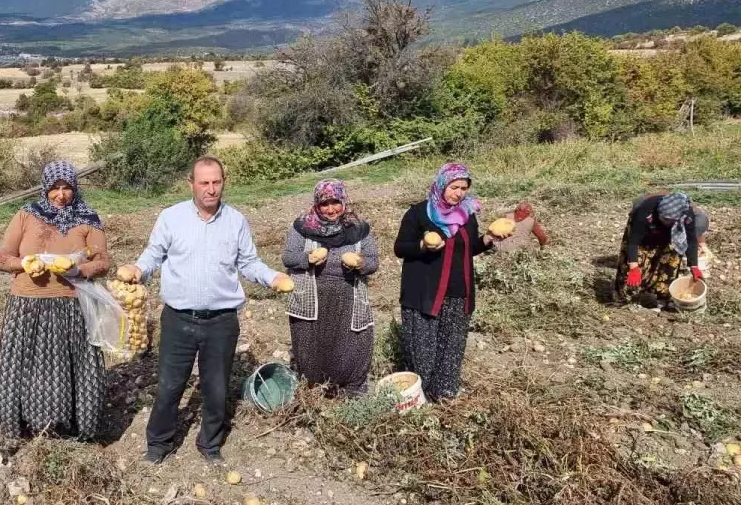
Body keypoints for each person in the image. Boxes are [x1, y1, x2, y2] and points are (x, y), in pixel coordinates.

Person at [117, 156, 292, 465]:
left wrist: (272, 277)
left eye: (216, 182)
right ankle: (158, 445)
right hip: (179, 319)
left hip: (221, 321)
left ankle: (210, 445)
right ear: (191, 184)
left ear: (223, 182)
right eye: (204, 183)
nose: (211, 189)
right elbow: (153, 255)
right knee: (169, 386)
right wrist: (137, 269)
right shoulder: (171, 218)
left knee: (215, 389)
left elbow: (248, 263)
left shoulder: (236, 220)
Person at [0, 161, 110, 446]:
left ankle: (72, 427)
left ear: (74, 188)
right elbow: (2, 257)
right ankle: (18, 425)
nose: (61, 195)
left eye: (67, 188)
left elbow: (104, 262)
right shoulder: (26, 216)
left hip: (73, 304)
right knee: (23, 366)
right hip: (28, 304)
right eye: (55, 188)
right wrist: (24, 263)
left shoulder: (87, 219)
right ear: (46, 188)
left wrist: (78, 270)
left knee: (74, 366)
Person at [394, 163, 502, 403]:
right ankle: (417, 401)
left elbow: (469, 247)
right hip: (425, 293)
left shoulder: (466, 215)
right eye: (454, 187)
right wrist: (422, 246)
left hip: (458, 293)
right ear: (442, 184)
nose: (459, 193)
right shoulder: (420, 213)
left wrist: (488, 239)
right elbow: (400, 248)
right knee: (422, 351)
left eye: (464, 188)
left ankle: (444, 398)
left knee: (451, 349)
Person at [281, 179, 379, 395]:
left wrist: (360, 263)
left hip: (349, 297)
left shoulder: (359, 228)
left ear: (344, 201)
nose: (331, 209)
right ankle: (316, 391)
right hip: (312, 296)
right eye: (324, 204)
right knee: (311, 347)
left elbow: (373, 261)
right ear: (317, 204)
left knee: (352, 345)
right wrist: (308, 259)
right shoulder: (303, 227)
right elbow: (288, 257)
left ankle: (349, 390)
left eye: (335, 202)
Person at [614, 192, 702, 305]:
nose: (666, 221)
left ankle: (661, 298)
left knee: (670, 261)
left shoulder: (687, 215)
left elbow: (691, 240)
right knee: (634, 264)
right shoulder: (646, 209)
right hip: (643, 237)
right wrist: (633, 267)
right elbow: (634, 240)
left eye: (669, 220)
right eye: (664, 218)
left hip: (671, 234)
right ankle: (625, 299)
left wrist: (694, 265)